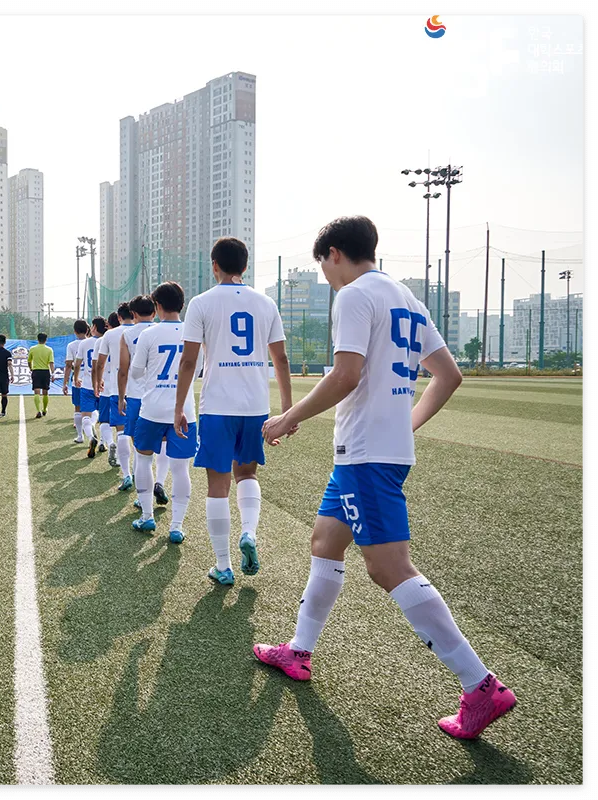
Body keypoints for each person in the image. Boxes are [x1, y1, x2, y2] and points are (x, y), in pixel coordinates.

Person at [252, 216, 516, 740]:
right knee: (325, 540)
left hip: (366, 453)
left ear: (332, 254)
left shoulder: (352, 295)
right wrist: (407, 422)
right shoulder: (407, 298)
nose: (326, 276)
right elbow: (449, 374)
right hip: (374, 451)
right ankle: (299, 652)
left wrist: (288, 417)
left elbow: (345, 373)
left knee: (389, 567)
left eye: (322, 266)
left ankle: (480, 685)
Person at [174, 237, 290, 586]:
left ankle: (223, 565)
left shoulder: (201, 303)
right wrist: (288, 412)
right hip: (256, 406)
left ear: (214, 265)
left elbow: (190, 361)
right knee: (247, 475)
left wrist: (179, 406)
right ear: (246, 265)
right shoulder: (266, 302)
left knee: (217, 486)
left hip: (218, 407)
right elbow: (281, 359)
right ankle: (250, 533)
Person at [127, 282, 193, 544]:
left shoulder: (148, 334)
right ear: (182, 304)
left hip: (152, 408)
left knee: (142, 459)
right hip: (185, 410)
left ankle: (147, 515)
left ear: (157, 306)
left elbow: (136, 372)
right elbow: (196, 369)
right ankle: (176, 526)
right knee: (181, 468)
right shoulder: (194, 331)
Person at [115, 295, 156, 494]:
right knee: (163, 446)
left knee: (139, 447)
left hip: (136, 395)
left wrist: (121, 397)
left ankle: (139, 489)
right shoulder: (163, 330)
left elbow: (123, 370)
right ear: (154, 311)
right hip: (162, 394)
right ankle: (160, 483)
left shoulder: (128, 335)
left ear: (133, 313)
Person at [93, 309, 125, 468]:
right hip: (124, 385)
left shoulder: (103, 339)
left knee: (104, 419)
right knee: (124, 424)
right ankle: (119, 451)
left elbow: (97, 364)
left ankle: (109, 442)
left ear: (108, 324)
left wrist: (97, 383)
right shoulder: (130, 334)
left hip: (107, 384)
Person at [79, 317, 105, 458]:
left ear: (94, 327)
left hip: (88, 384)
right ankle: (102, 441)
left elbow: (77, 363)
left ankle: (90, 437)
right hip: (104, 385)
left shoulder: (85, 343)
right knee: (104, 418)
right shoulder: (108, 340)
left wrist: (76, 377)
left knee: (85, 417)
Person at [62, 321, 85, 440]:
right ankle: (90, 427)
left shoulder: (72, 345)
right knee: (93, 407)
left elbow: (68, 365)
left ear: (75, 331)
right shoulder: (96, 342)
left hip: (78, 380)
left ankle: (80, 432)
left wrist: (65, 383)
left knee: (78, 406)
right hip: (94, 380)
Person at [28, 333, 55, 419]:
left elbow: (29, 360)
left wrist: (31, 368)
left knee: (36, 391)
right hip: (45, 372)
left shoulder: (32, 349)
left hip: (36, 371)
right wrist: (53, 374)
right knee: (45, 392)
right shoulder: (49, 350)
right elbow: (51, 363)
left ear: (37, 339)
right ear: (46, 339)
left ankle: (38, 410)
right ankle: (44, 409)